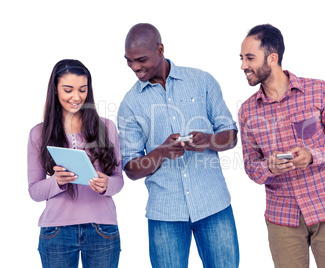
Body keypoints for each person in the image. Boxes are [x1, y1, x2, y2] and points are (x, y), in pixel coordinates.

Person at [118, 23, 240, 268]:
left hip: (213, 205)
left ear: (160, 49)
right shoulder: (129, 105)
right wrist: (160, 152)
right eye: (129, 61)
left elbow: (231, 135)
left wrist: (208, 140)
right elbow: (131, 168)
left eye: (141, 59)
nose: (135, 67)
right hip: (165, 214)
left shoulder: (201, 81)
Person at [238, 24, 325, 268]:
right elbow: (251, 166)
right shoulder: (247, 111)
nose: (243, 66)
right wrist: (268, 167)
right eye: (241, 58)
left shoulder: (317, 90)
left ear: (272, 58)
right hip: (283, 218)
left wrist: (314, 156)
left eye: (250, 58)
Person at [27, 59, 124, 268]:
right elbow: (34, 191)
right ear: (55, 90)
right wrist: (57, 182)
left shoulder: (106, 128)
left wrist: (107, 184)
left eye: (82, 90)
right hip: (56, 231)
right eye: (68, 90)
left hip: (102, 230)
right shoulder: (38, 134)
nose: (76, 97)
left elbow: (119, 179)